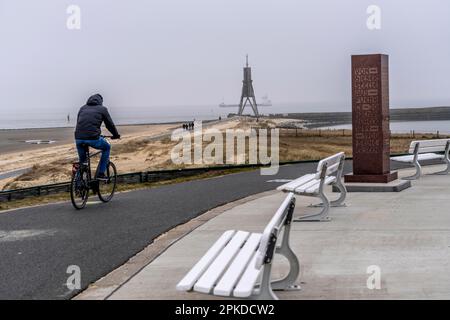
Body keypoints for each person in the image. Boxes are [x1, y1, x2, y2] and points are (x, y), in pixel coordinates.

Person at [74, 94, 120, 180]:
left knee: (82, 162)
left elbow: (79, 123)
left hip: (78, 138)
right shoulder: (102, 109)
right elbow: (109, 125)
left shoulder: (82, 108)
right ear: (100, 101)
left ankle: (79, 186)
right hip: (93, 138)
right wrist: (116, 135)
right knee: (107, 147)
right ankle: (101, 173)